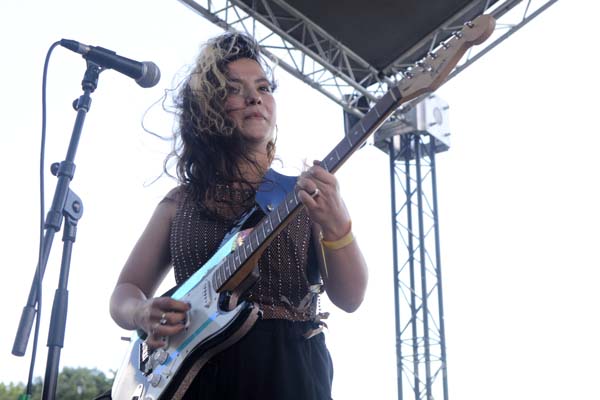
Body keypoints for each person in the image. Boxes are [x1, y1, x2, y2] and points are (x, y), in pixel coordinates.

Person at [109, 32, 368, 400]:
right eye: (234, 89)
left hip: (287, 371)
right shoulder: (178, 204)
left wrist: (337, 224)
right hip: (193, 377)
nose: (255, 97)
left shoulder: (303, 196)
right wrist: (141, 312)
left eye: (263, 87)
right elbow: (124, 291)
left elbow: (351, 297)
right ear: (206, 109)